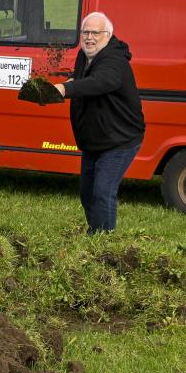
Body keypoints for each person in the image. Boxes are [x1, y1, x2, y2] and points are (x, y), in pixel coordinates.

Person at [54, 12, 145, 234]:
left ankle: (104, 245)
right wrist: (69, 83)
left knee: (103, 191)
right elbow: (84, 80)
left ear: (108, 35)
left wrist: (65, 89)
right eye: (85, 32)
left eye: (96, 32)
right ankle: (95, 232)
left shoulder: (115, 61)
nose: (89, 37)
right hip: (94, 139)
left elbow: (101, 82)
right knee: (87, 193)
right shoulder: (84, 56)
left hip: (119, 139)